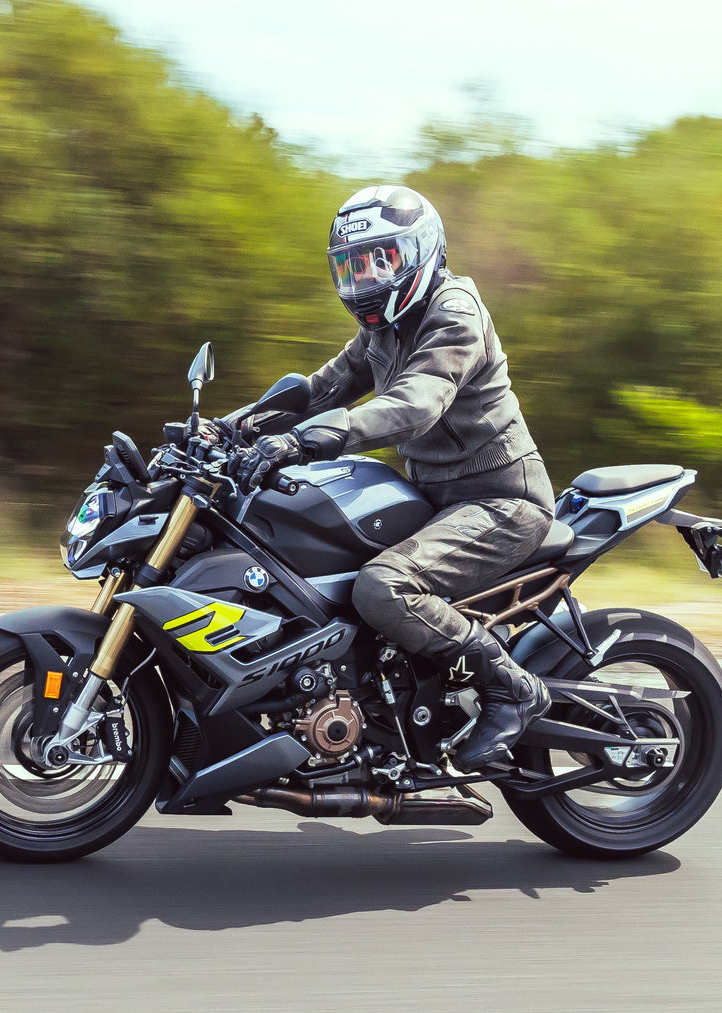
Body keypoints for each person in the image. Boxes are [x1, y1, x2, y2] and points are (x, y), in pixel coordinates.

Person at [230, 185, 554, 772]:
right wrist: (233, 428)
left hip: (501, 499)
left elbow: (416, 403)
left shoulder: (453, 312)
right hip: (433, 495)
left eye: (379, 260)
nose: (364, 280)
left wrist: (314, 437)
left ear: (421, 252)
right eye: (352, 266)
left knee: (381, 587)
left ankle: (513, 688)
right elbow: (318, 390)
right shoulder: (383, 330)